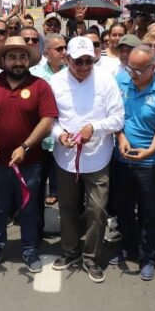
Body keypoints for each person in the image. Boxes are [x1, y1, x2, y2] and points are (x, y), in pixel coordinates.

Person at [0, 37, 56, 274]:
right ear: (3, 60)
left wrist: (26, 146)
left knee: (28, 207)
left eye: (22, 57)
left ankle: (29, 250)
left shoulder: (40, 86)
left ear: (28, 60)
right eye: (12, 57)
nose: (18, 61)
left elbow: (47, 120)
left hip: (29, 161)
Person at [50, 36, 124, 283]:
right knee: (68, 206)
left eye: (88, 61)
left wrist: (95, 128)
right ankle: (70, 251)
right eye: (78, 61)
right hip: (66, 156)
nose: (84, 66)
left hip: (98, 156)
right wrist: (59, 135)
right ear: (67, 59)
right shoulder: (55, 82)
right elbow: (50, 118)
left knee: (97, 209)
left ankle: (91, 257)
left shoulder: (105, 81)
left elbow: (117, 118)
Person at [111, 45, 155, 282]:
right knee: (123, 207)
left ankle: (148, 255)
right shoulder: (120, 80)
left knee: (149, 211)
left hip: (151, 161)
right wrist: (120, 137)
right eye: (130, 68)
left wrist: (150, 150)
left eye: (139, 70)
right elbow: (115, 114)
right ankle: (128, 245)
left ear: (153, 66)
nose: (133, 74)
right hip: (122, 157)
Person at [32, 34, 68, 213]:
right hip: (42, 140)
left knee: (69, 191)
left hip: (66, 139)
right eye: (59, 49)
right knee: (37, 188)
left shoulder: (74, 72)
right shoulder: (35, 76)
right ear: (46, 53)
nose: (64, 52)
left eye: (65, 47)